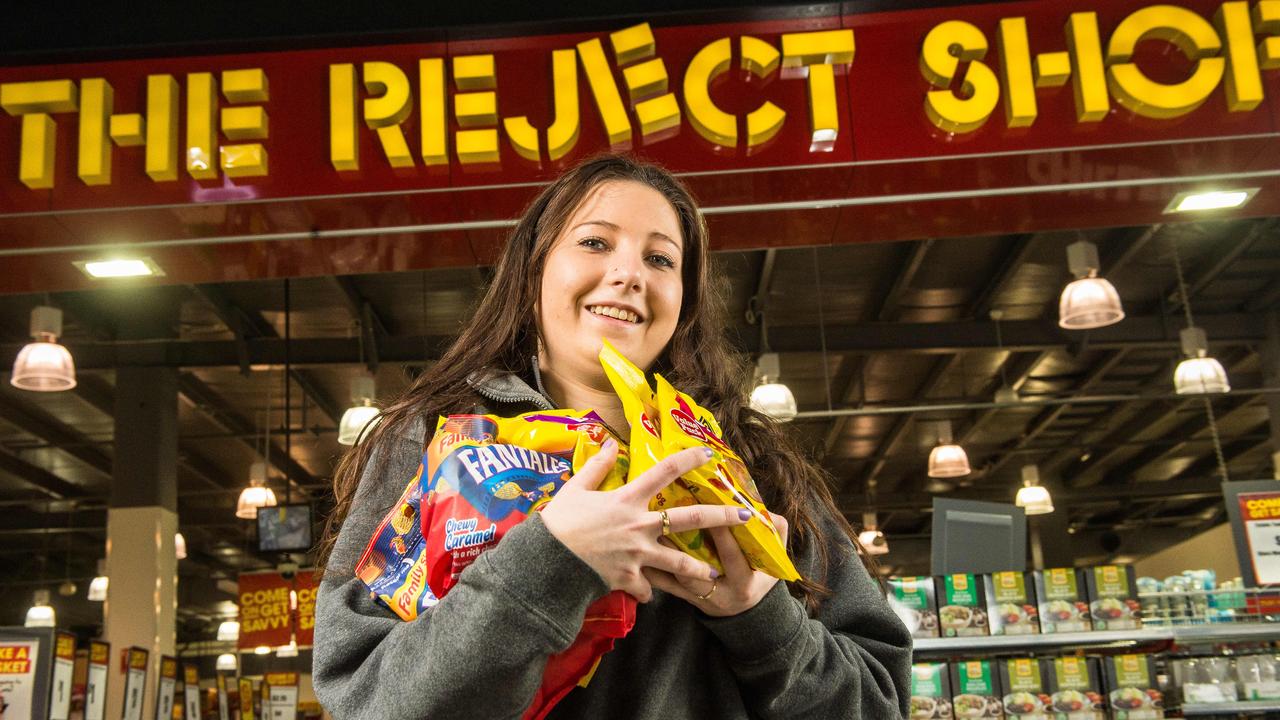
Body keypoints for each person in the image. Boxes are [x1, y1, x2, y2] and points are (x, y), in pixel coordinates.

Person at [312, 155, 912, 719]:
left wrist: (761, 619)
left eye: (660, 259)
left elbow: (880, 700)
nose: (628, 274)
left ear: (685, 298)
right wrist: (551, 560)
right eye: (595, 242)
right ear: (534, 269)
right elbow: (367, 698)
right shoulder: (432, 436)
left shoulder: (745, 463)